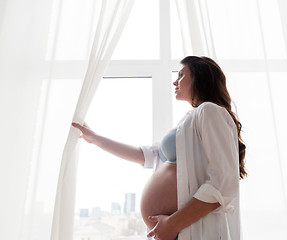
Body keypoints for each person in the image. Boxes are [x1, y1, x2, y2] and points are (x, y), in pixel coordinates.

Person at [72, 56, 246, 240]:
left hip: (192, 227)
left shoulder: (209, 111)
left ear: (200, 77)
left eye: (181, 75)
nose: (175, 81)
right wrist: (96, 139)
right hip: (179, 230)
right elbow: (145, 155)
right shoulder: (189, 120)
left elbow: (224, 182)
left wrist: (172, 223)